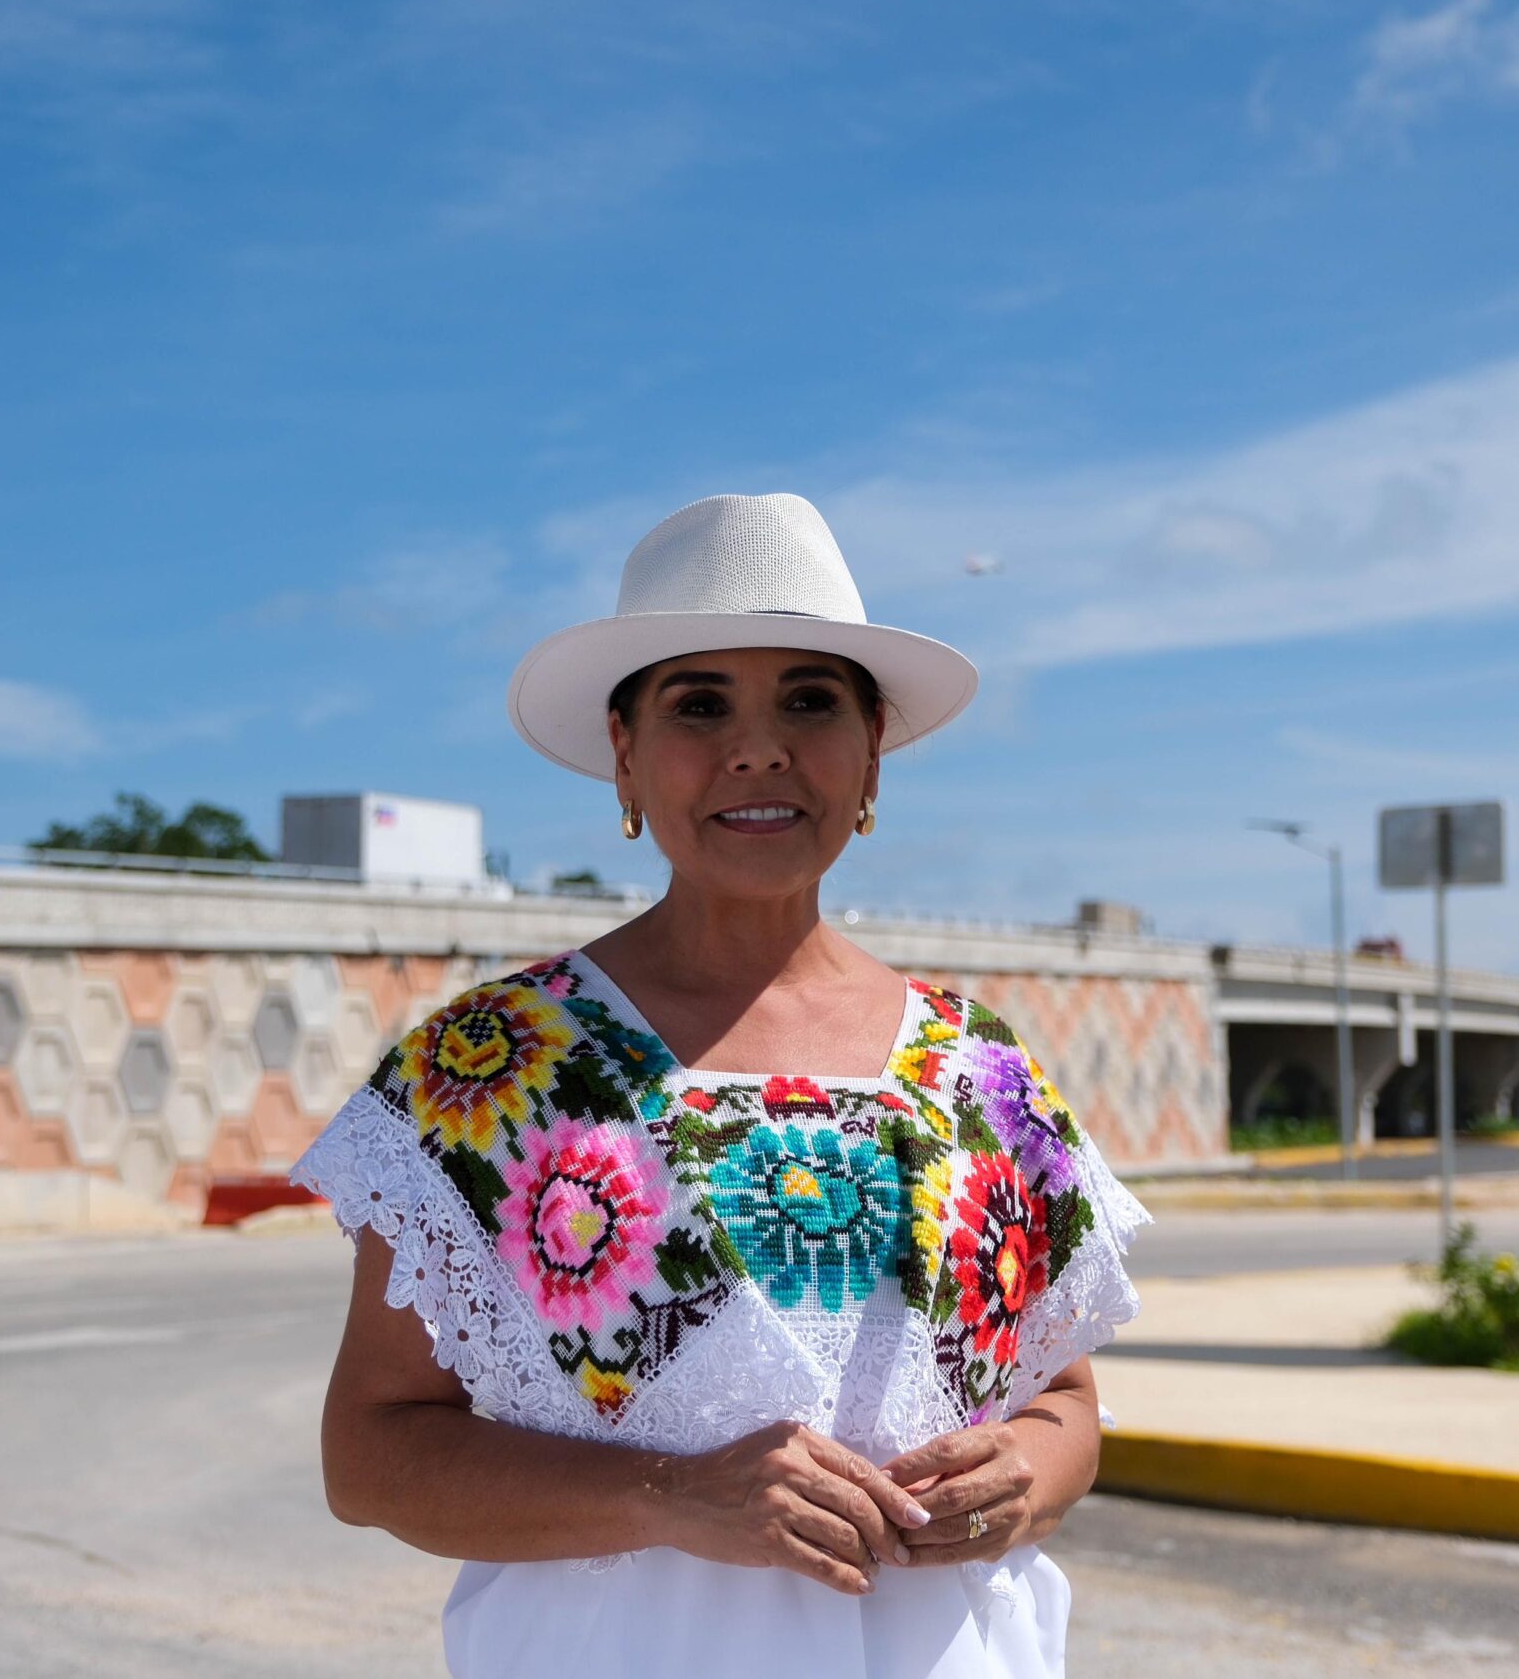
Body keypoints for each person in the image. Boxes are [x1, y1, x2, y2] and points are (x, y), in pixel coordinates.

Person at [291, 493, 1151, 1678]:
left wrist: (1029, 1476)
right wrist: (671, 1495)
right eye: (702, 704)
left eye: (810, 700)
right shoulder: (489, 1075)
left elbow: (1066, 1402)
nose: (760, 747)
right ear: (627, 757)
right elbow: (374, 1457)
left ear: (870, 760)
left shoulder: (979, 1074)